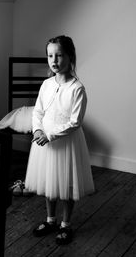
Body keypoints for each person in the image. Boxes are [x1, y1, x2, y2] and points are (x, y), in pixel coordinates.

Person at [24, 35, 94, 245]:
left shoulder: (77, 89)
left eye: (59, 55)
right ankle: (50, 219)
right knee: (49, 181)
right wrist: (37, 130)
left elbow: (75, 122)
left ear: (70, 57)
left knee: (66, 184)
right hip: (44, 142)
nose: (54, 60)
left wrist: (50, 135)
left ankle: (66, 224)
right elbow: (37, 110)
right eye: (50, 56)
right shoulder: (46, 84)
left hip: (65, 143)